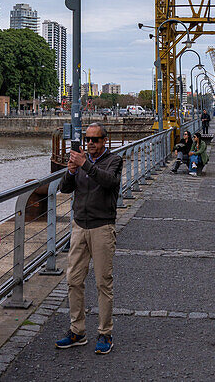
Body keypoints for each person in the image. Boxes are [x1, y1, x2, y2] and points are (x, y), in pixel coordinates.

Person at [56, 124, 123, 355]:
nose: (91, 143)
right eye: (88, 139)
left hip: (102, 227)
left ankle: (105, 333)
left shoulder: (114, 160)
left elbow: (110, 182)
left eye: (95, 139)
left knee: (103, 282)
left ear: (105, 140)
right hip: (79, 227)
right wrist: (72, 171)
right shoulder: (81, 163)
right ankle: (78, 330)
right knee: (73, 279)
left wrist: (85, 164)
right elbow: (64, 189)